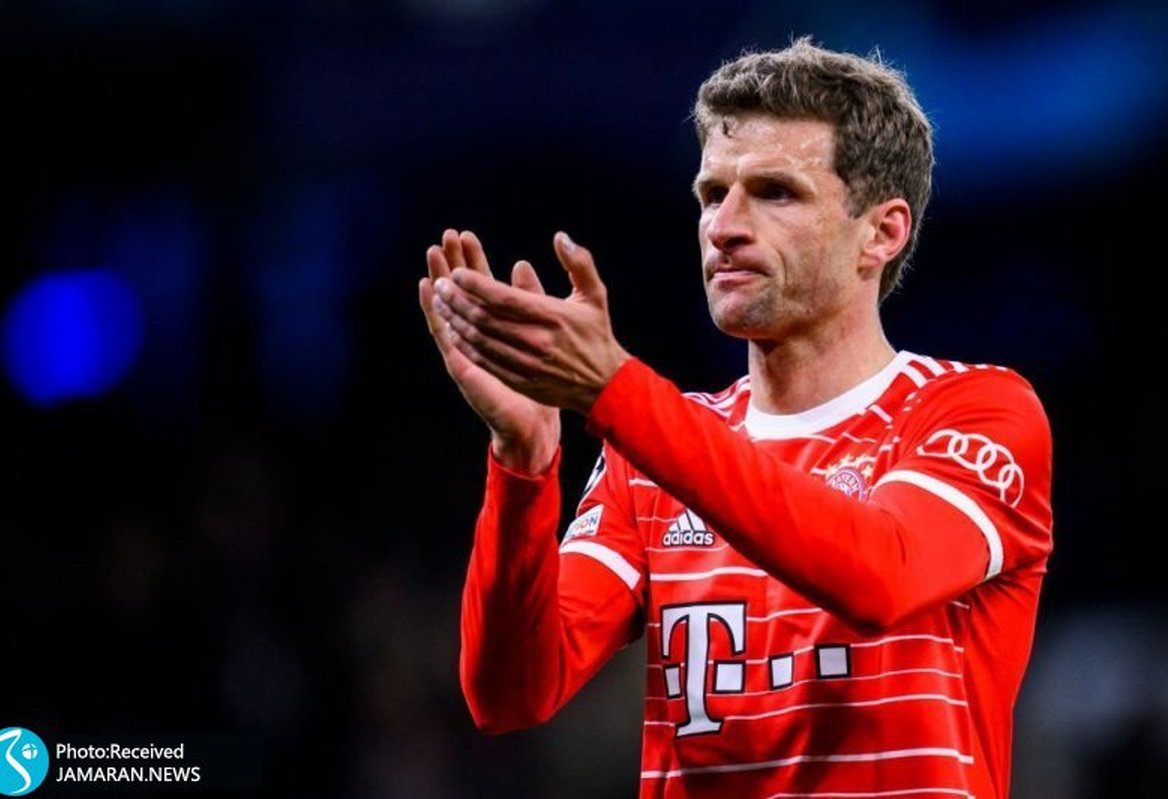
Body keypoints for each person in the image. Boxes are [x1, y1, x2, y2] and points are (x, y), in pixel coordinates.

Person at [417, 37, 1052, 799]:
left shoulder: (974, 411)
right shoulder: (648, 453)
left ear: (882, 232)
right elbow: (512, 692)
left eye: (775, 192)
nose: (724, 226)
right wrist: (522, 464)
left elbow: (881, 575)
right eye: (712, 193)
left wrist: (615, 389)